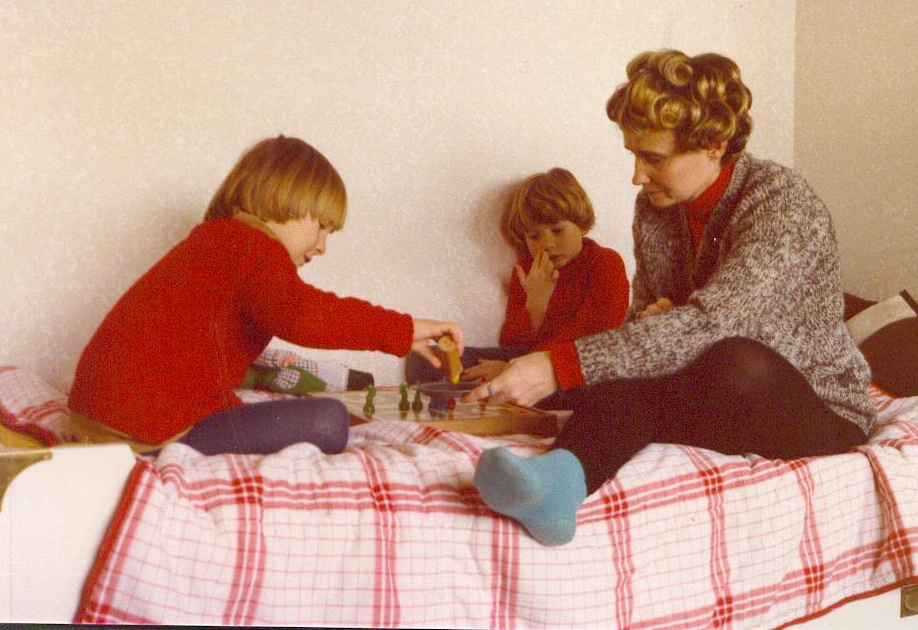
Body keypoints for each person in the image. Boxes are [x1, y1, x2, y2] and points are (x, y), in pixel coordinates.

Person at [466, 50, 876, 546]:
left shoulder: (783, 204)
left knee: (732, 359)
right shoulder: (657, 207)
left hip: (817, 409)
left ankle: (570, 464)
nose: (637, 176)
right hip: (713, 391)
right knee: (628, 370)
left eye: (654, 158)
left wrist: (559, 366)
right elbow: (648, 325)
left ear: (714, 146)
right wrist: (655, 325)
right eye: (634, 156)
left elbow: (714, 325)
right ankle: (559, 484)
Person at [68, 135, 463, 455]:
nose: (322, 247)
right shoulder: (252, 248)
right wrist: (404, 329)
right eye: (321, 227)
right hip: (141, 430)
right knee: (330, 420)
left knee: (291, 412)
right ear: (281, 199)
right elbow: (307, 317)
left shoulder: (218, 241)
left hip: (95, 417)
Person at [406, 167, 629, 384]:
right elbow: (510, 342)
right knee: (424, 359)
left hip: (578, 366)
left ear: (581, 224)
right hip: (528, 359)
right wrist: (535, 303)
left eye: (557, 230)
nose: (547, 244)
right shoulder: (526, 270)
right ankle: (501, 385)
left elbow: (593, 337)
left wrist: (517, 368)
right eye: (534, 236)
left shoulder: (605, 262)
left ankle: (507, 384)